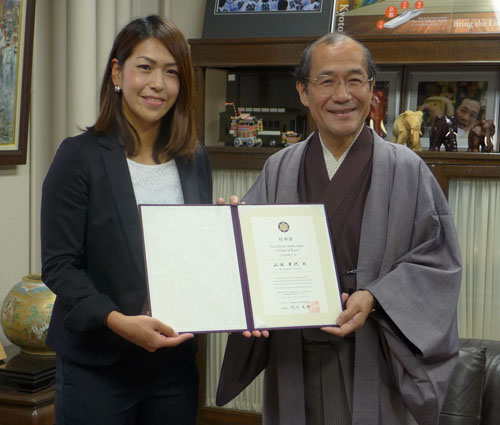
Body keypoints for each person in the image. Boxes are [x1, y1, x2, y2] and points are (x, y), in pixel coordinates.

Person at [216, 33, 462, 425]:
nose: (343, 95)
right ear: (303, 91)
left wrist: (375, 296)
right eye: (327, 81)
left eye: (355, 80)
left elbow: (439, 262)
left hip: (377, 354)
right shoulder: (280, 167)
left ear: (371, 89)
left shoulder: (407, 170)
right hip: (294, 353)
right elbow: (249, 259)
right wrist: (228, 227)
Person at [41, 15, 212, 425]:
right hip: (97, 364)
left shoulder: (193, 159)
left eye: (172, 72)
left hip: (173, 365)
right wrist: (119, 322)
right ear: (118, 73)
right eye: (145, 67)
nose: (158, 84)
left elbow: (196, 253)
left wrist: (228, 235)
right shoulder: (78, 156)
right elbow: (60, 265)